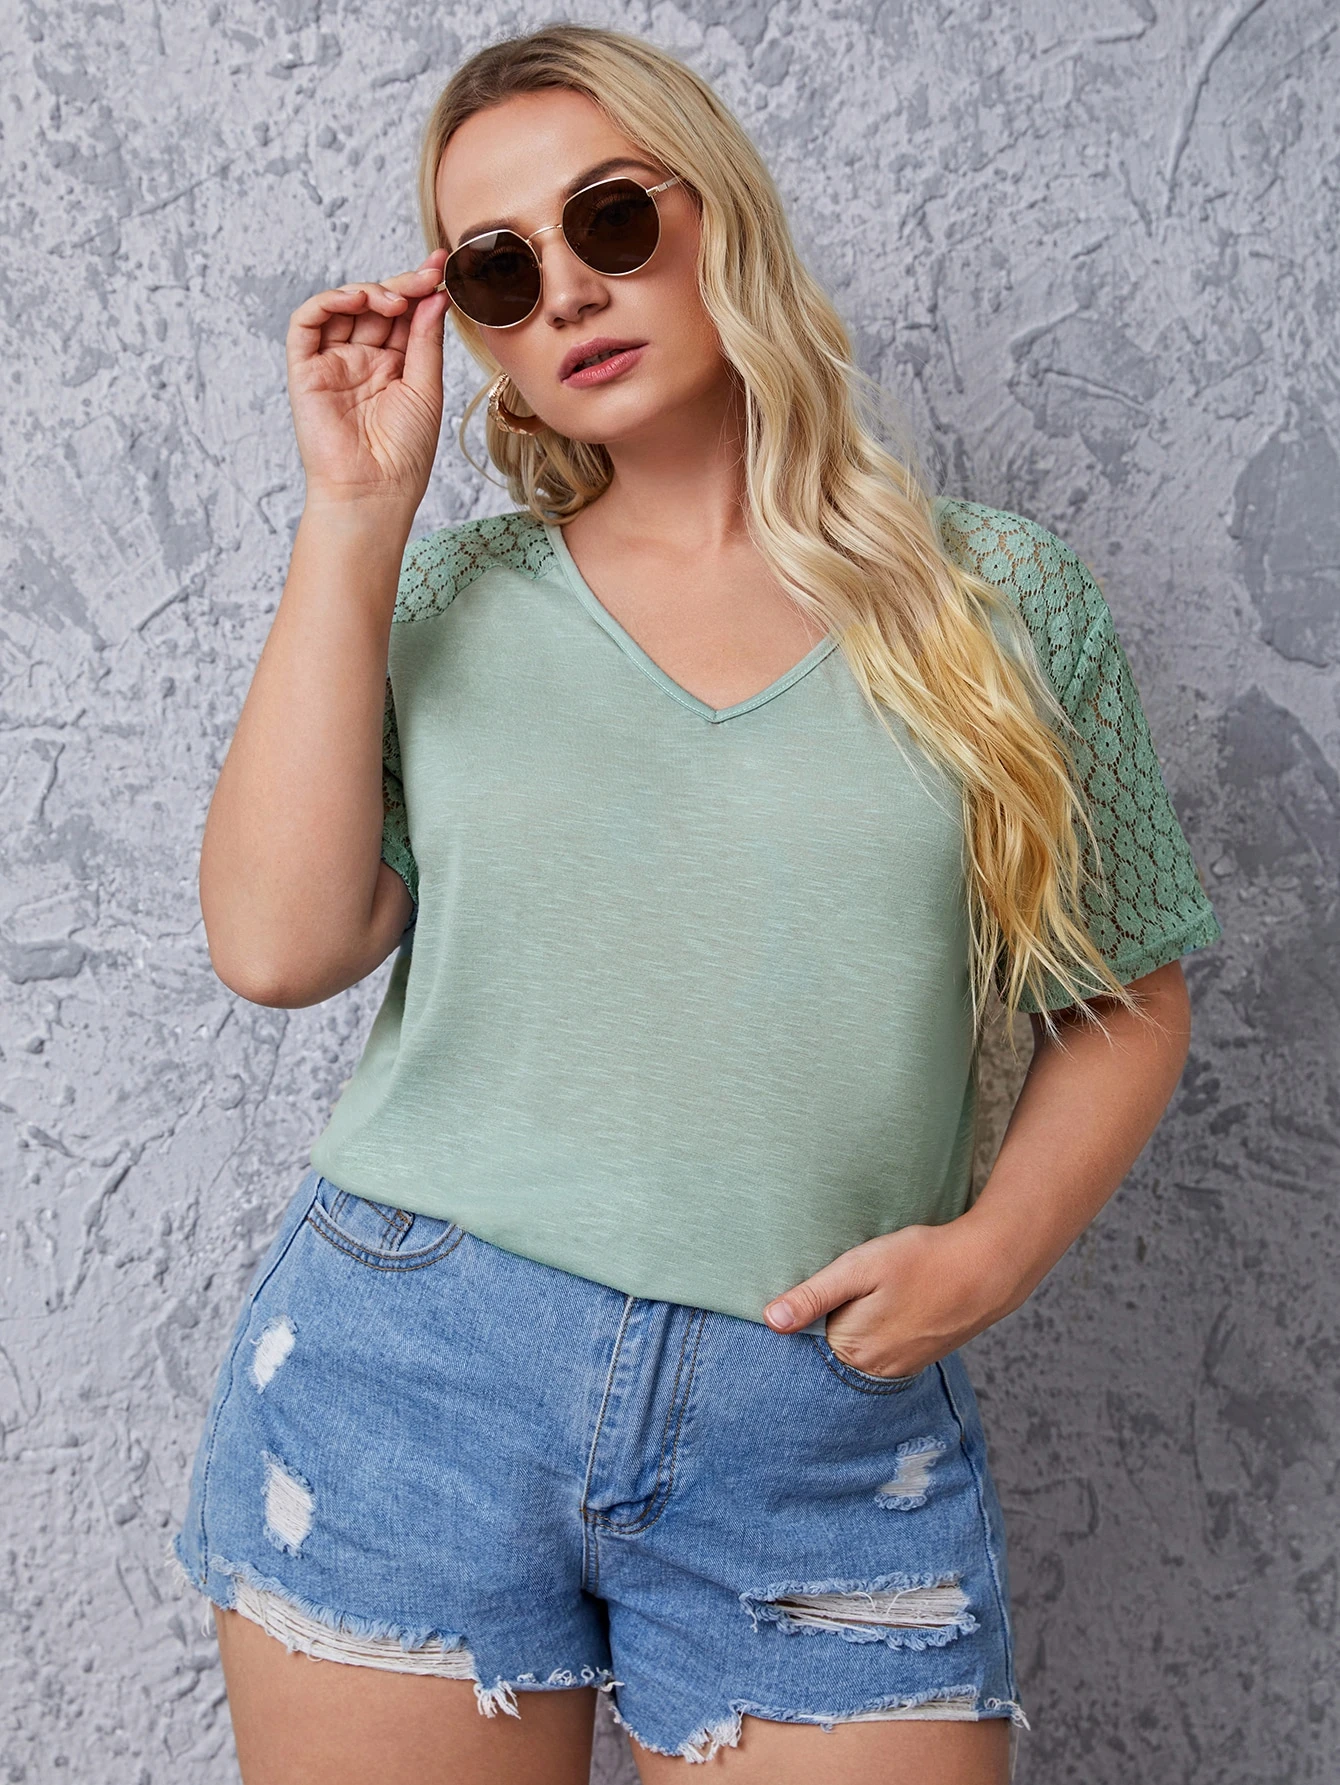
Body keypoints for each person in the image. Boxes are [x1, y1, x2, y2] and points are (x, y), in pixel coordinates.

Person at [166, 23, 1224, 1785]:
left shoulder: (999, 605)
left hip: (814, 1426)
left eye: (610, 219)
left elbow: (1124, 992)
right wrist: (353, 516)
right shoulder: (445, 603)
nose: (569, 291)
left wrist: (990, 1256)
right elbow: (278, 947)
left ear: (721, 210)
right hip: (407, 1381)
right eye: (500, 270)